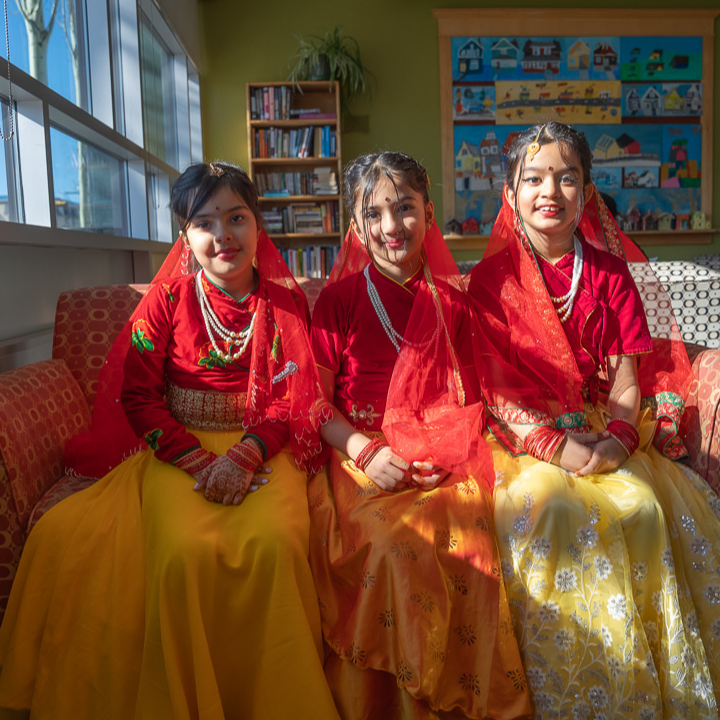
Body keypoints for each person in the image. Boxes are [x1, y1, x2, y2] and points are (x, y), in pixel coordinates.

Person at [0, 162, 340, 720]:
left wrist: (244, 455)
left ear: (258, 226)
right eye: (205, 223)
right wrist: (201, 463)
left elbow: (294, 398)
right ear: (185, 236)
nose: (223, 235)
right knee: (181, 553)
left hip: (263, 448)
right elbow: (139, 397)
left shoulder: (286, 305)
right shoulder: (164, 302)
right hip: (179, 453)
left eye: (236, 218)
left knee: (275, 545)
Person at [468, 122, 720, 717]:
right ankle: (560, 692)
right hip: (524, 436)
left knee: (644, 508)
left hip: (605, 428)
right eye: (533, 178)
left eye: (566, 177)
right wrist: (552, 447)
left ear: (585, 193)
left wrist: (619, 442)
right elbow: (492, 388)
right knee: (549, 508)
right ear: (510, 194)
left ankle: (643, 692)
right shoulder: (490, 281)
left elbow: (627, 381)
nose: (549, 191)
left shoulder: (609, 273)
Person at [308, 151, 531, 720]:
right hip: (361, 455)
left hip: (444, 457)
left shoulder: (453, 303)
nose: (391, 226)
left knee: (470, 540)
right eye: (374, 213)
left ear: (429, 214)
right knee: (391, 546)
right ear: (356, 227)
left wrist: (442, 454)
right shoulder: (336, 302)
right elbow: (314, 403)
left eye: (405, 208)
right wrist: (365, 451)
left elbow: (473, 397)